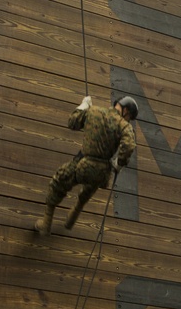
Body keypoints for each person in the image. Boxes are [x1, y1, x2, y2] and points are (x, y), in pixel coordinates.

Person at [35, 94, 138, 235]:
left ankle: (46, 223)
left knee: (59, 181)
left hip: (83, 163)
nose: (128, 120)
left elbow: (72, 122)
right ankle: (73, 214)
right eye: (129, 117)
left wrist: (83, 106)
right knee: (90, 187)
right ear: (125, 111)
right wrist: (119, 164)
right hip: (102, 172)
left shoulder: (94, 111)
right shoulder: (124, 126)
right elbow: (129, 145)